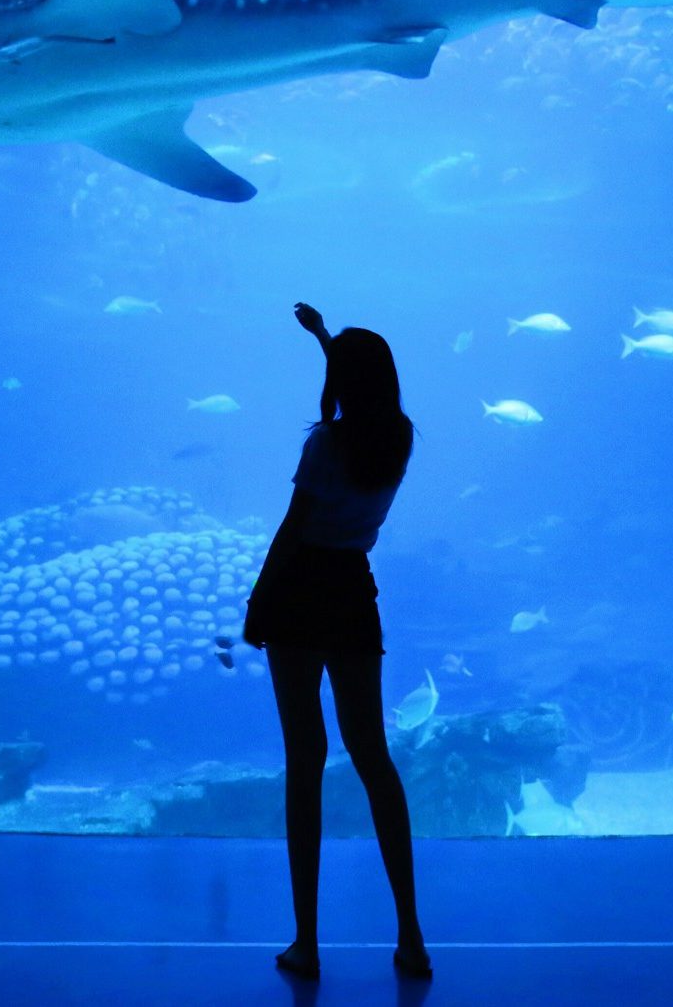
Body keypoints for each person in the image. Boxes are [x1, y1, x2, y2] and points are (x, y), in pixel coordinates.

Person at [243, 302, 432, 983]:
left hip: (300, 592)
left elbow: (294, 527)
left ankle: (307, 941)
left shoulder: (324, 443)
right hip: (354, 593)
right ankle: (411, 934)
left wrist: (258, 600)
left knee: (306, 760)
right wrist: (324, 339)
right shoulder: (399, 438)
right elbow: (358, 383)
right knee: (374, 757)